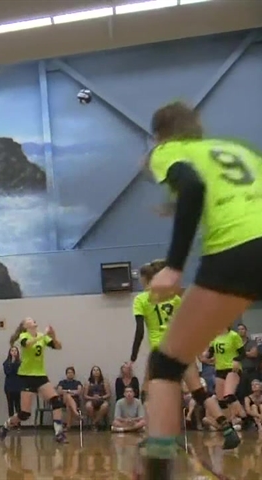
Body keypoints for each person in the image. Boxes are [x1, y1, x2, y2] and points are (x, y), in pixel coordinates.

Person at [140, 101, 262, 478]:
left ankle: (158, 469)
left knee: (164, 366)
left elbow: (190, 185)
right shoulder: (240, 151)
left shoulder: (169, 152)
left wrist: (174, 265)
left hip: (235, 251)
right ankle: (224, 427)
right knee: (192, 383)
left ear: (160, 134)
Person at [131, 259, 235, 448]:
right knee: (199, 392)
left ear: (147, 279)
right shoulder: (174, 297)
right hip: (182, 346)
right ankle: (228, 429)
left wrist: (133, 357)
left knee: (147, 394)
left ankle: (153, 434)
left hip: (161, 351)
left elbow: (139, 331)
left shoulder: (141, 299)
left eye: (141, 278)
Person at [0, 317, 67, 443]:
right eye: (28, 319)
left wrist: (53, 336)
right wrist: (44, 336)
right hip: (26, 376)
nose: (32, 320)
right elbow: (28, 344)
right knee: (24, 414)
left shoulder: (42, 336)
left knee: (56, 401)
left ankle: (59, 433)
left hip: (40, 375)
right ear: (25, 326)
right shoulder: (24, 336)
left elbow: (58, 346)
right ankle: (6, 426)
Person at [206, 327, 246, 427]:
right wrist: (205, 355)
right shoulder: (215, 337)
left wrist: (236, 360)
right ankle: (229, 423)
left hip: (232, 368)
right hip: (220, 369)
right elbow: (210, 353)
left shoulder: (233, 336)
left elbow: (243, 353)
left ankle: (244, 417)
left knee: (228, 395)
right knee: (221, 401)